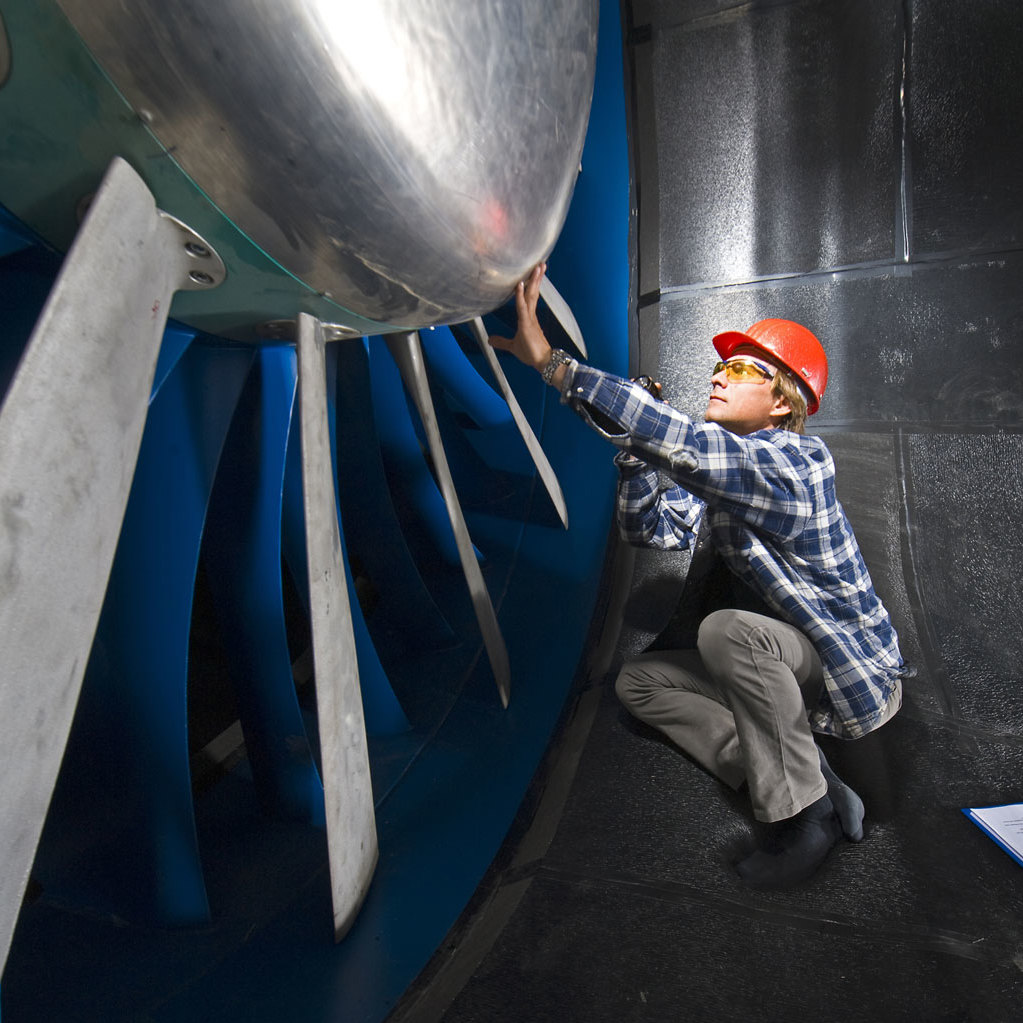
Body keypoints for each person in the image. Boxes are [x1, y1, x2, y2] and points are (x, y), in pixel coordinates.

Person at [489, 263, 904, 888]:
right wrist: (634, 453)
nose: (718, 374)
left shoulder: (795, 465)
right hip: (785, 666)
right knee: (641, 683)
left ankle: (804, 816)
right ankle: (807, 772)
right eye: (718, 366)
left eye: (740, 370)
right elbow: (654, 529)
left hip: (841, 669)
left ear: (783, 399)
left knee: (727, 631)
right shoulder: (731, 473)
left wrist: (554, 364)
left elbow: (687, 447)